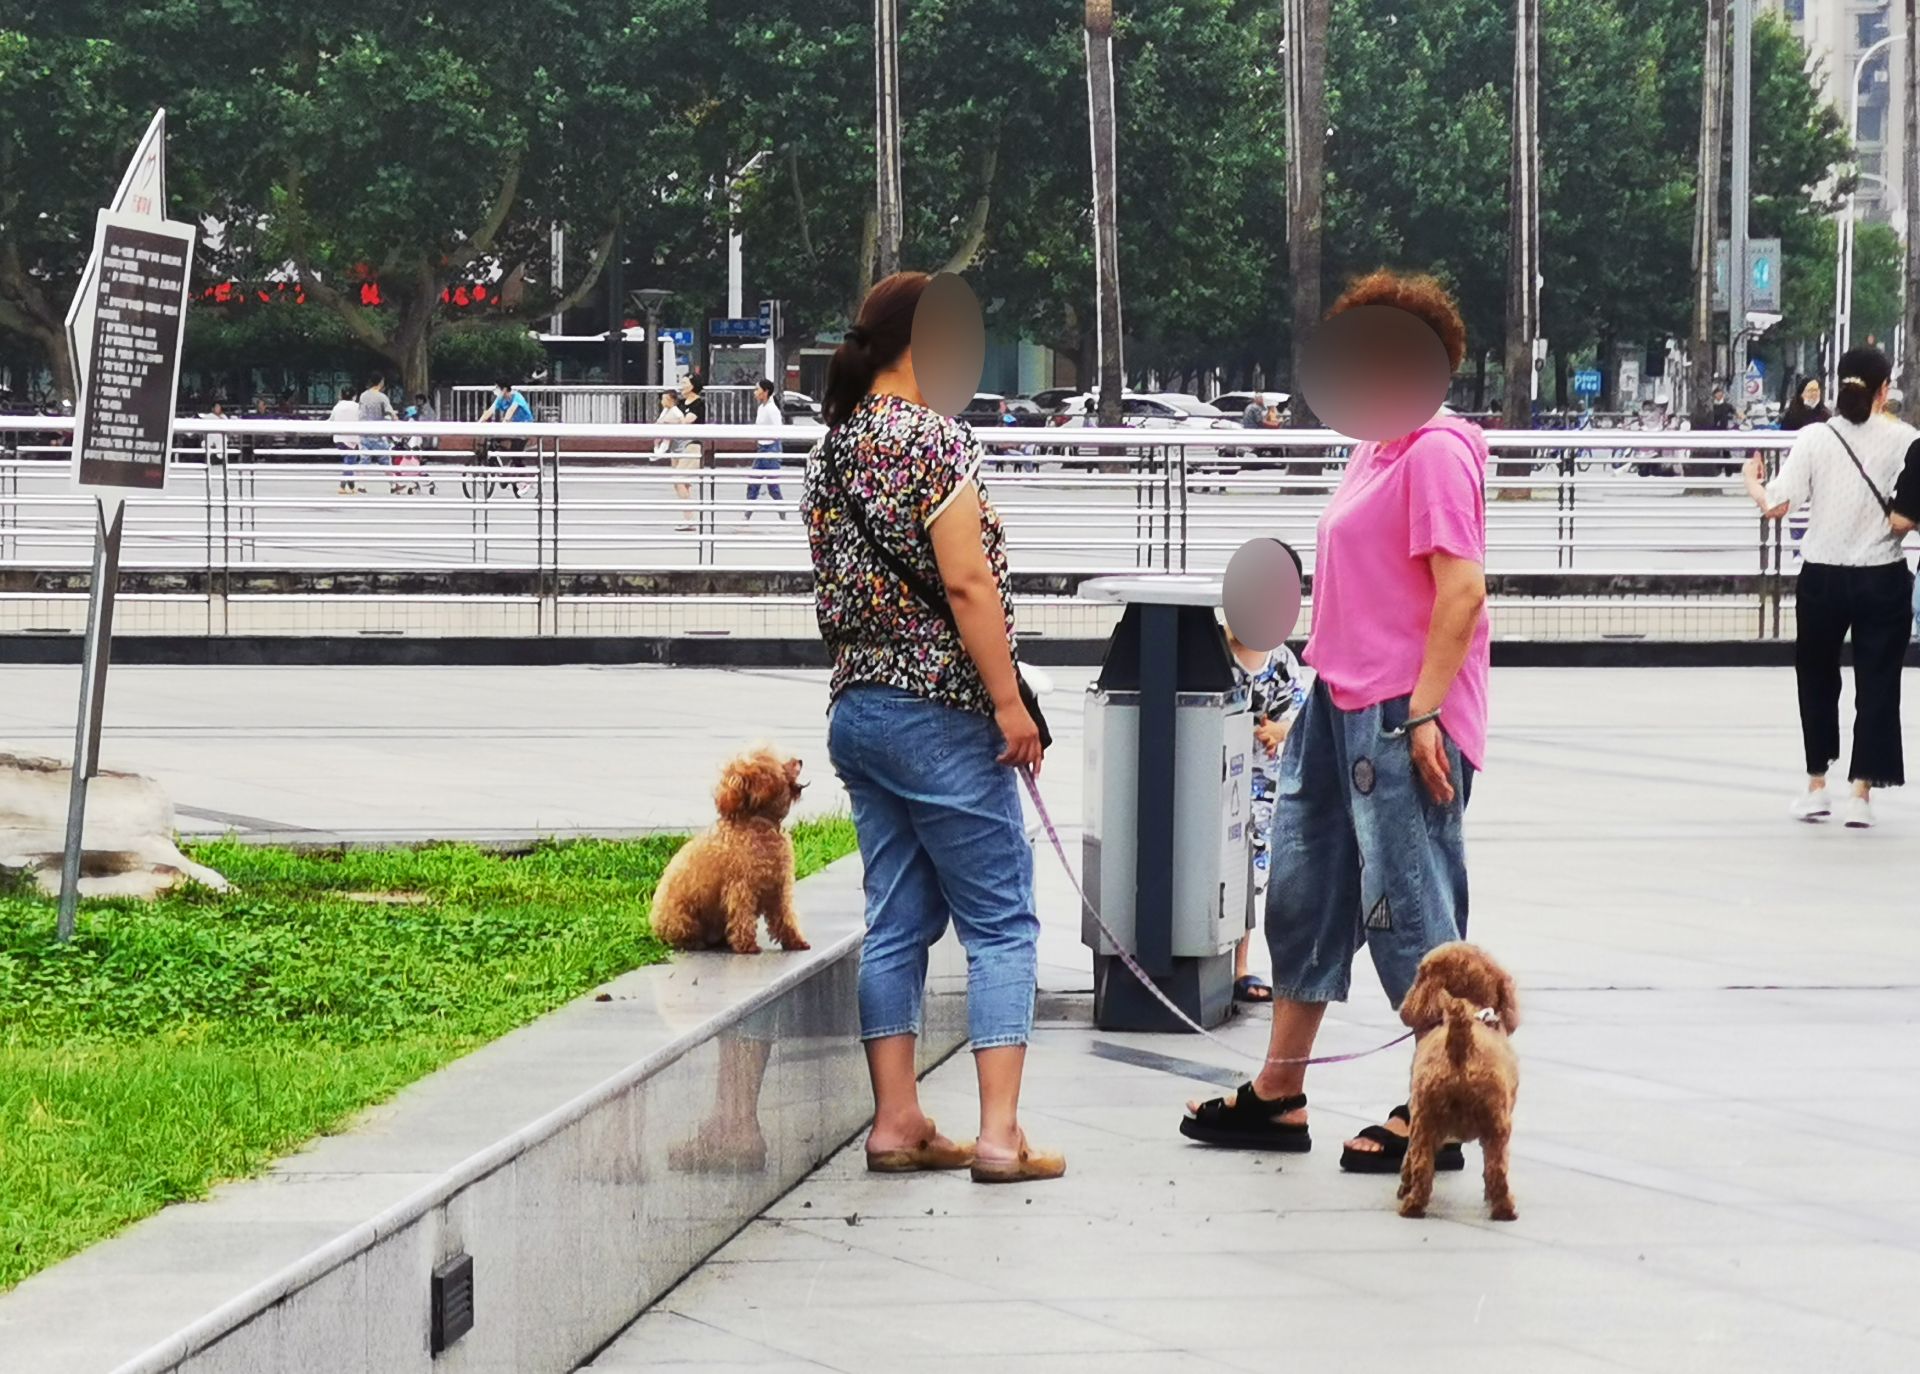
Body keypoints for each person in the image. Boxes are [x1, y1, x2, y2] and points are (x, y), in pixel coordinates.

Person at [1179, 270, 1490, 1179]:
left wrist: (1425, 711)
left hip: (1403, 711)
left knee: (1410, 906)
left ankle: (1444, 1098)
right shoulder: (1378, 451)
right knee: (1305, 892)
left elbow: (1462, 590)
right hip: (1338, 700)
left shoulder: (1436, 450)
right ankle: (1279, 1092)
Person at [802, 270, 1060, 1185]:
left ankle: (897, 1121)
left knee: (897, 920)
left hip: (858, 709)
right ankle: (1000, 1136)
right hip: (941, 712)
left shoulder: (830, 450)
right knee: (1002, 922)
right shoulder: (936, 442)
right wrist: (1009, 703)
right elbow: (966, 584)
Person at [1742, 345, 1914, 829]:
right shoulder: (1906, 440)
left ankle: (1817, 785)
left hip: (1822, 575)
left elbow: (1777, 506)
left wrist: (1751, 482)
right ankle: (1862, 793)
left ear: (1839, 383)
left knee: (1817, 679)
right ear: (1884, 390)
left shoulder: (1815, 437)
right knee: (1878, 684)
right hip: (1882, 575)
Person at [1224, 619, 1307, 1005]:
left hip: (1261, 788)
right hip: (1217, 778)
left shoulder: (1281, 660)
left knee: (1248, 873)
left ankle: (1239, 966)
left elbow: (1299, 715)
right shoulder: (1216, 651)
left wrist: (1279, 731)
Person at [745, 378, 787, 521]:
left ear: (766, 391)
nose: (755, 392)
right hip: (762, 448)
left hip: (771, 448)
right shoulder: (761, 408)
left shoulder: (772, 409)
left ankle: (782, 512)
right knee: (753, 482)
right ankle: (747, 514)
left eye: (757, 389)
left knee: (772, 486)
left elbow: (778, 430)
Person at [354, 375, 396, 494]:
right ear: (381, 382)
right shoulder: (382, 397)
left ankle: (360, 484)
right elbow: (390, 412)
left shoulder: (363, 395)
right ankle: (394, 484)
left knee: (364, 459)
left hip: (364, 432)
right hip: (378, 434)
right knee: (385, 460)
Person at [329, 387, 361, 494]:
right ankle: (343, 486)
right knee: (349, 463)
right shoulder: (357, 407)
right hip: (352, 438)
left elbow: (331, 420)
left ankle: (351, 486)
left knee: (348, 462)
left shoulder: (337, 406)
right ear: (354, 396)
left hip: (339, 439)